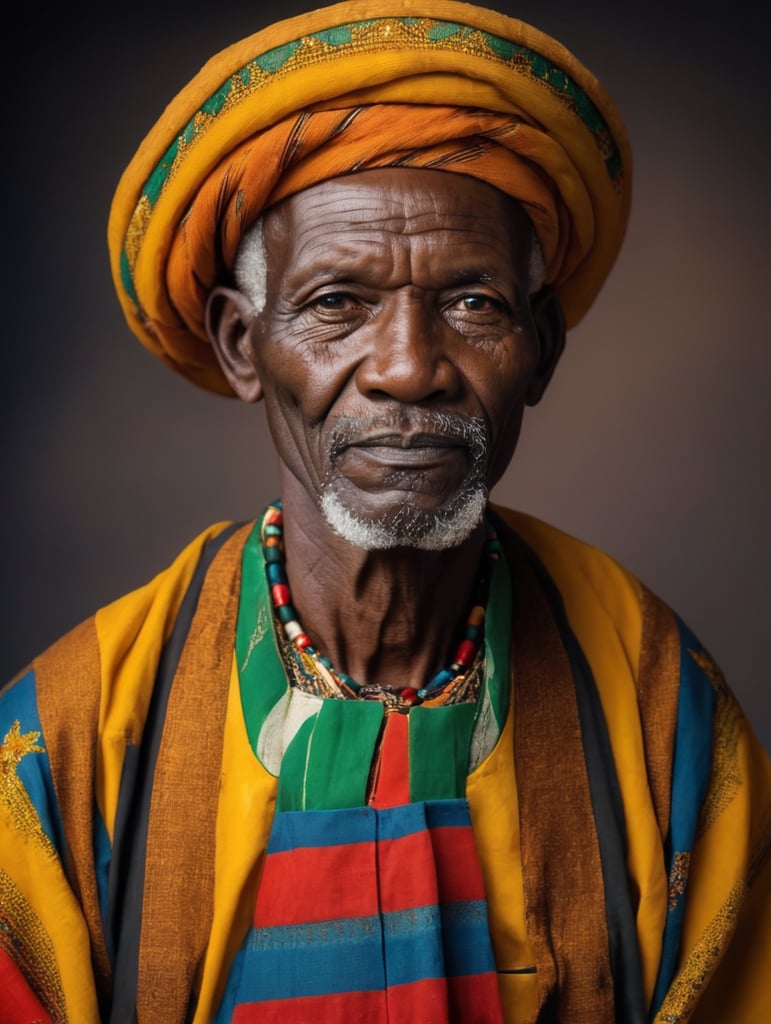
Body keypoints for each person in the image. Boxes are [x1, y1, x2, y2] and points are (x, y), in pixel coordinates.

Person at [1, 0, 769, 1021]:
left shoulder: (659, 707)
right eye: (337, 304)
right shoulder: (68, 745)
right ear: (242, 345)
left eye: (473, 303)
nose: (409, 369)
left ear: (542, 346)